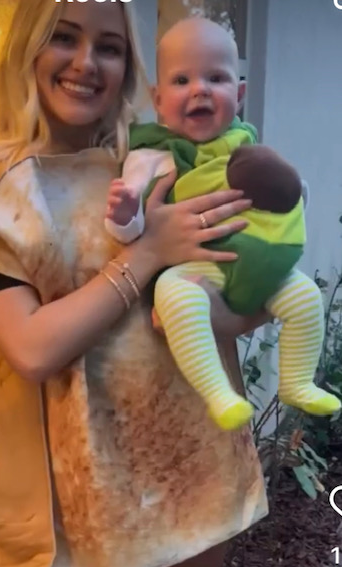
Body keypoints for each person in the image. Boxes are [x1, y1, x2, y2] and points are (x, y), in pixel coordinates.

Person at [0, 2, 270, 567]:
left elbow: (234, 302)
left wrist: (251, 294)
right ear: (27, 48)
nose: (87, 63)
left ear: (129, 67)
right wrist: (148, 253)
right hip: (79, 483)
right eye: (64, 38)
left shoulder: (159, 157)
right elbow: (32, 349)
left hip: (194, 454)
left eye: (109, 47)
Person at [105, 17, 340, 432]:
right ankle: (218, 393)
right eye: (182, 80)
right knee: (176, 299)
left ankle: (297, 382)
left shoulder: (245, 144)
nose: (200, 89)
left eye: (216, 78)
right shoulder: (151, 157)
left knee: (304, 295)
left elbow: (280, 196)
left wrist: (293, 194)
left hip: (252, 266)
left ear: (239, 94)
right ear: (158, 99)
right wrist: (125, 213)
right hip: (196, 269)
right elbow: (132, 232)